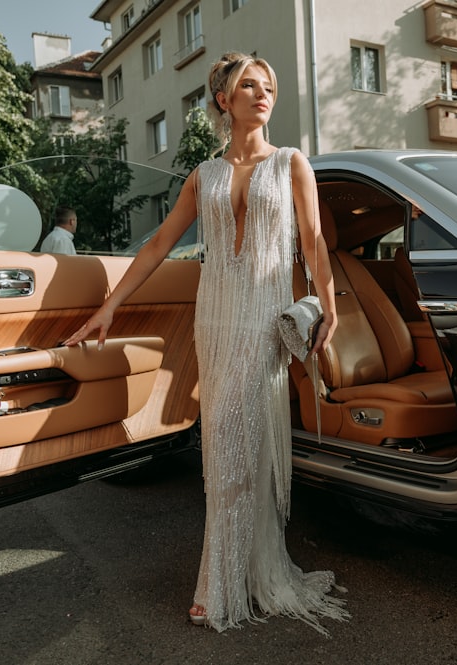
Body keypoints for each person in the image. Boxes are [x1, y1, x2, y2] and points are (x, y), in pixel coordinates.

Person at [62, 52, 347, 634]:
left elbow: (314, 240)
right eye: (249, 86)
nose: (263, 94)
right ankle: (234, 571)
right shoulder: (203, 174)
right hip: (215, 320)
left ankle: (220, 583)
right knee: (222, 443)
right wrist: (109, 306)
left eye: (269, 85)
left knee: (235, 443)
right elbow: (159, 245)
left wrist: (331, 304)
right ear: (224, 100)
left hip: (264, 320)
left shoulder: (293, 163)